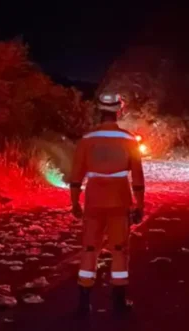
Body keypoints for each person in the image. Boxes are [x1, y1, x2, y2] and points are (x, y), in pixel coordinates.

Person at [69, 92, 145, 314]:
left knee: (89, 248)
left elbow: (76, 175)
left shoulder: (87, 139)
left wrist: (75, 202)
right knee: (119, 249)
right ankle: (119, 302)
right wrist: (140, 205)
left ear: (99, 110)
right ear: (119, 110)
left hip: (93, 201)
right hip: (120, 200)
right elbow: (137, 177)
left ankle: (83, 301)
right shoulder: (129, 140)